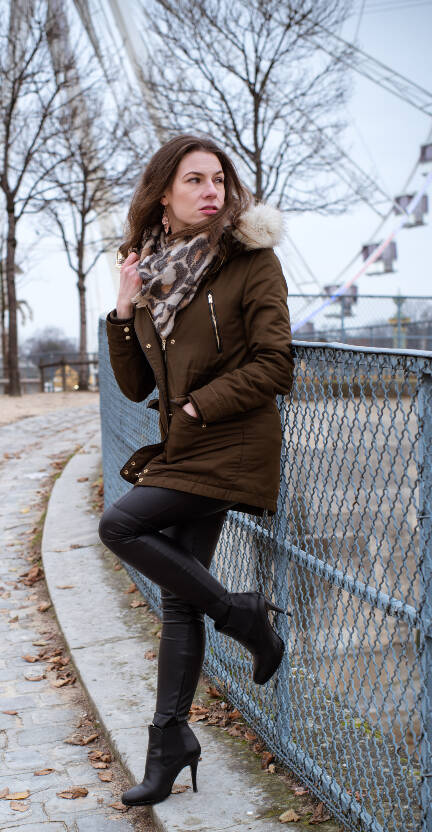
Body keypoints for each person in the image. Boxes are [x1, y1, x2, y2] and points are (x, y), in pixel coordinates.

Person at [97, 134, 294, 807]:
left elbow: (276, 364)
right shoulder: (153, 268)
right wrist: (124, 308)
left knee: (119, 526)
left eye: (219, 179)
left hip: (230, 440)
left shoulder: (250, 262)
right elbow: (130, 385)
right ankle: (170, 742)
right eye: (195, 180)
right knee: (180, 598)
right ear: (163, 194)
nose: (212, 191)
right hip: (184, 448)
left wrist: (197, 405)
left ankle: (242, 616)